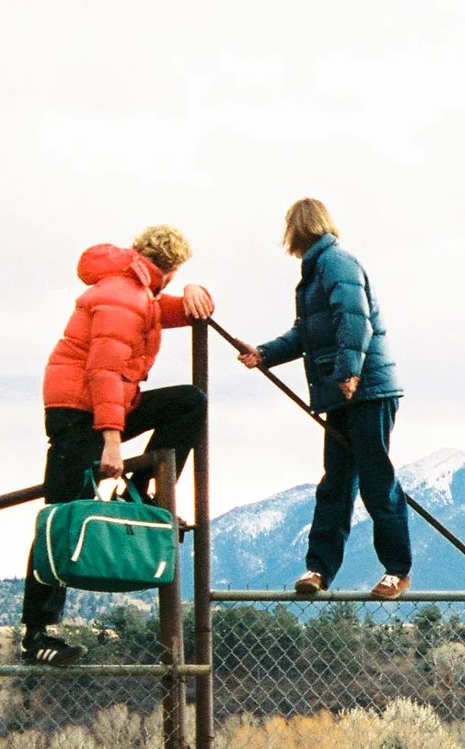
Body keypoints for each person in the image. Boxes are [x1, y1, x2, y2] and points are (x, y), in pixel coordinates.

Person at [24, 225, 217, 665]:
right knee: (61, 515)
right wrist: (112, 443)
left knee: (188, 402)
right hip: (81, 412)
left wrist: (195, 290)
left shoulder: (136, 291)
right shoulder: (125, 297)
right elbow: (103, 372)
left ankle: (150, 489)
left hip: (102, 405)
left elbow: (181, 311)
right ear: (167, 268)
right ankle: (36, 634)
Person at [239, 199, 411, 598]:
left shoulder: (336, 263)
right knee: (335, 483)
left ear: (295, 231)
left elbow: (355, 318)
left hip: (366, 389)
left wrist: (350, 371)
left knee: (375, 478)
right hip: (342, 392)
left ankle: (397, 571)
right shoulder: (317, 273)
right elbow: (306, 334)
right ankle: (318, 570)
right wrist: (264, 353)